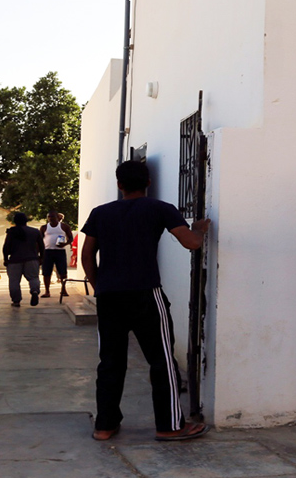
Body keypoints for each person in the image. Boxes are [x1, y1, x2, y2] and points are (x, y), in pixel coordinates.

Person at [79, 160, 210, 442]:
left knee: (110, 362)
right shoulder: (160, 208)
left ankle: (104, 426)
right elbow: (192, 242)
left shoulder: (100, 213)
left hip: (109, 297)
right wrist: (199, 229)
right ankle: (170, 426)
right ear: (148, 182)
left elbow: (87, 255)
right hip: (145, 294)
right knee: (162, 361)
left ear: (119, 185)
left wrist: (100, 287)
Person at [2, 211, 43, 307]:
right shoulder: (35, 231)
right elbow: (42, 246)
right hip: (32, 258)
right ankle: (34, 291)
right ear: (26, 220)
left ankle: (16, 301)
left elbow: (6, 246)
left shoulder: (12, 231)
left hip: (15, 260)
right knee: (33, 277)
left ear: (15, 221)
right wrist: (41, 258)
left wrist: (5, 259)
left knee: (14, 281)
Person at [39, 210, 74, 298]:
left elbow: (70, 238)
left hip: (60, 251)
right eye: (49, 217)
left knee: (63, 272)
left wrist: (65, 244)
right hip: (47, 251)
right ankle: (47, 291)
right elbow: (39, 240)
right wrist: (39, 253)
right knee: (46, 272)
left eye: (53, 217)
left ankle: (63, 289)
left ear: (57, 217)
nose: (51, 218)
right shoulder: (44, 227)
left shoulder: (64, 226)